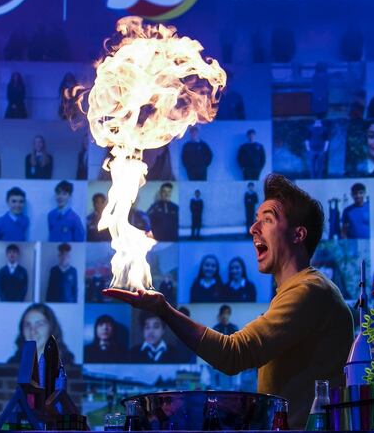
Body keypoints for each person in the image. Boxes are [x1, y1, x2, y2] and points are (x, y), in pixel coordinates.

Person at [102, 174, 354, 429]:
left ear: (298, 234)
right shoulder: (300, 290)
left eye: (267, 219)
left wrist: (163, 309)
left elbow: (233, 354)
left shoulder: (309, 291)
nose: (253, 229)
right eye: (256, 220)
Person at [8, 303, 75, 364]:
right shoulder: (13, 365)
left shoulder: (67, 364)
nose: (32, 331)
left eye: (39, 324)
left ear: (51, 328)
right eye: (28, 325)